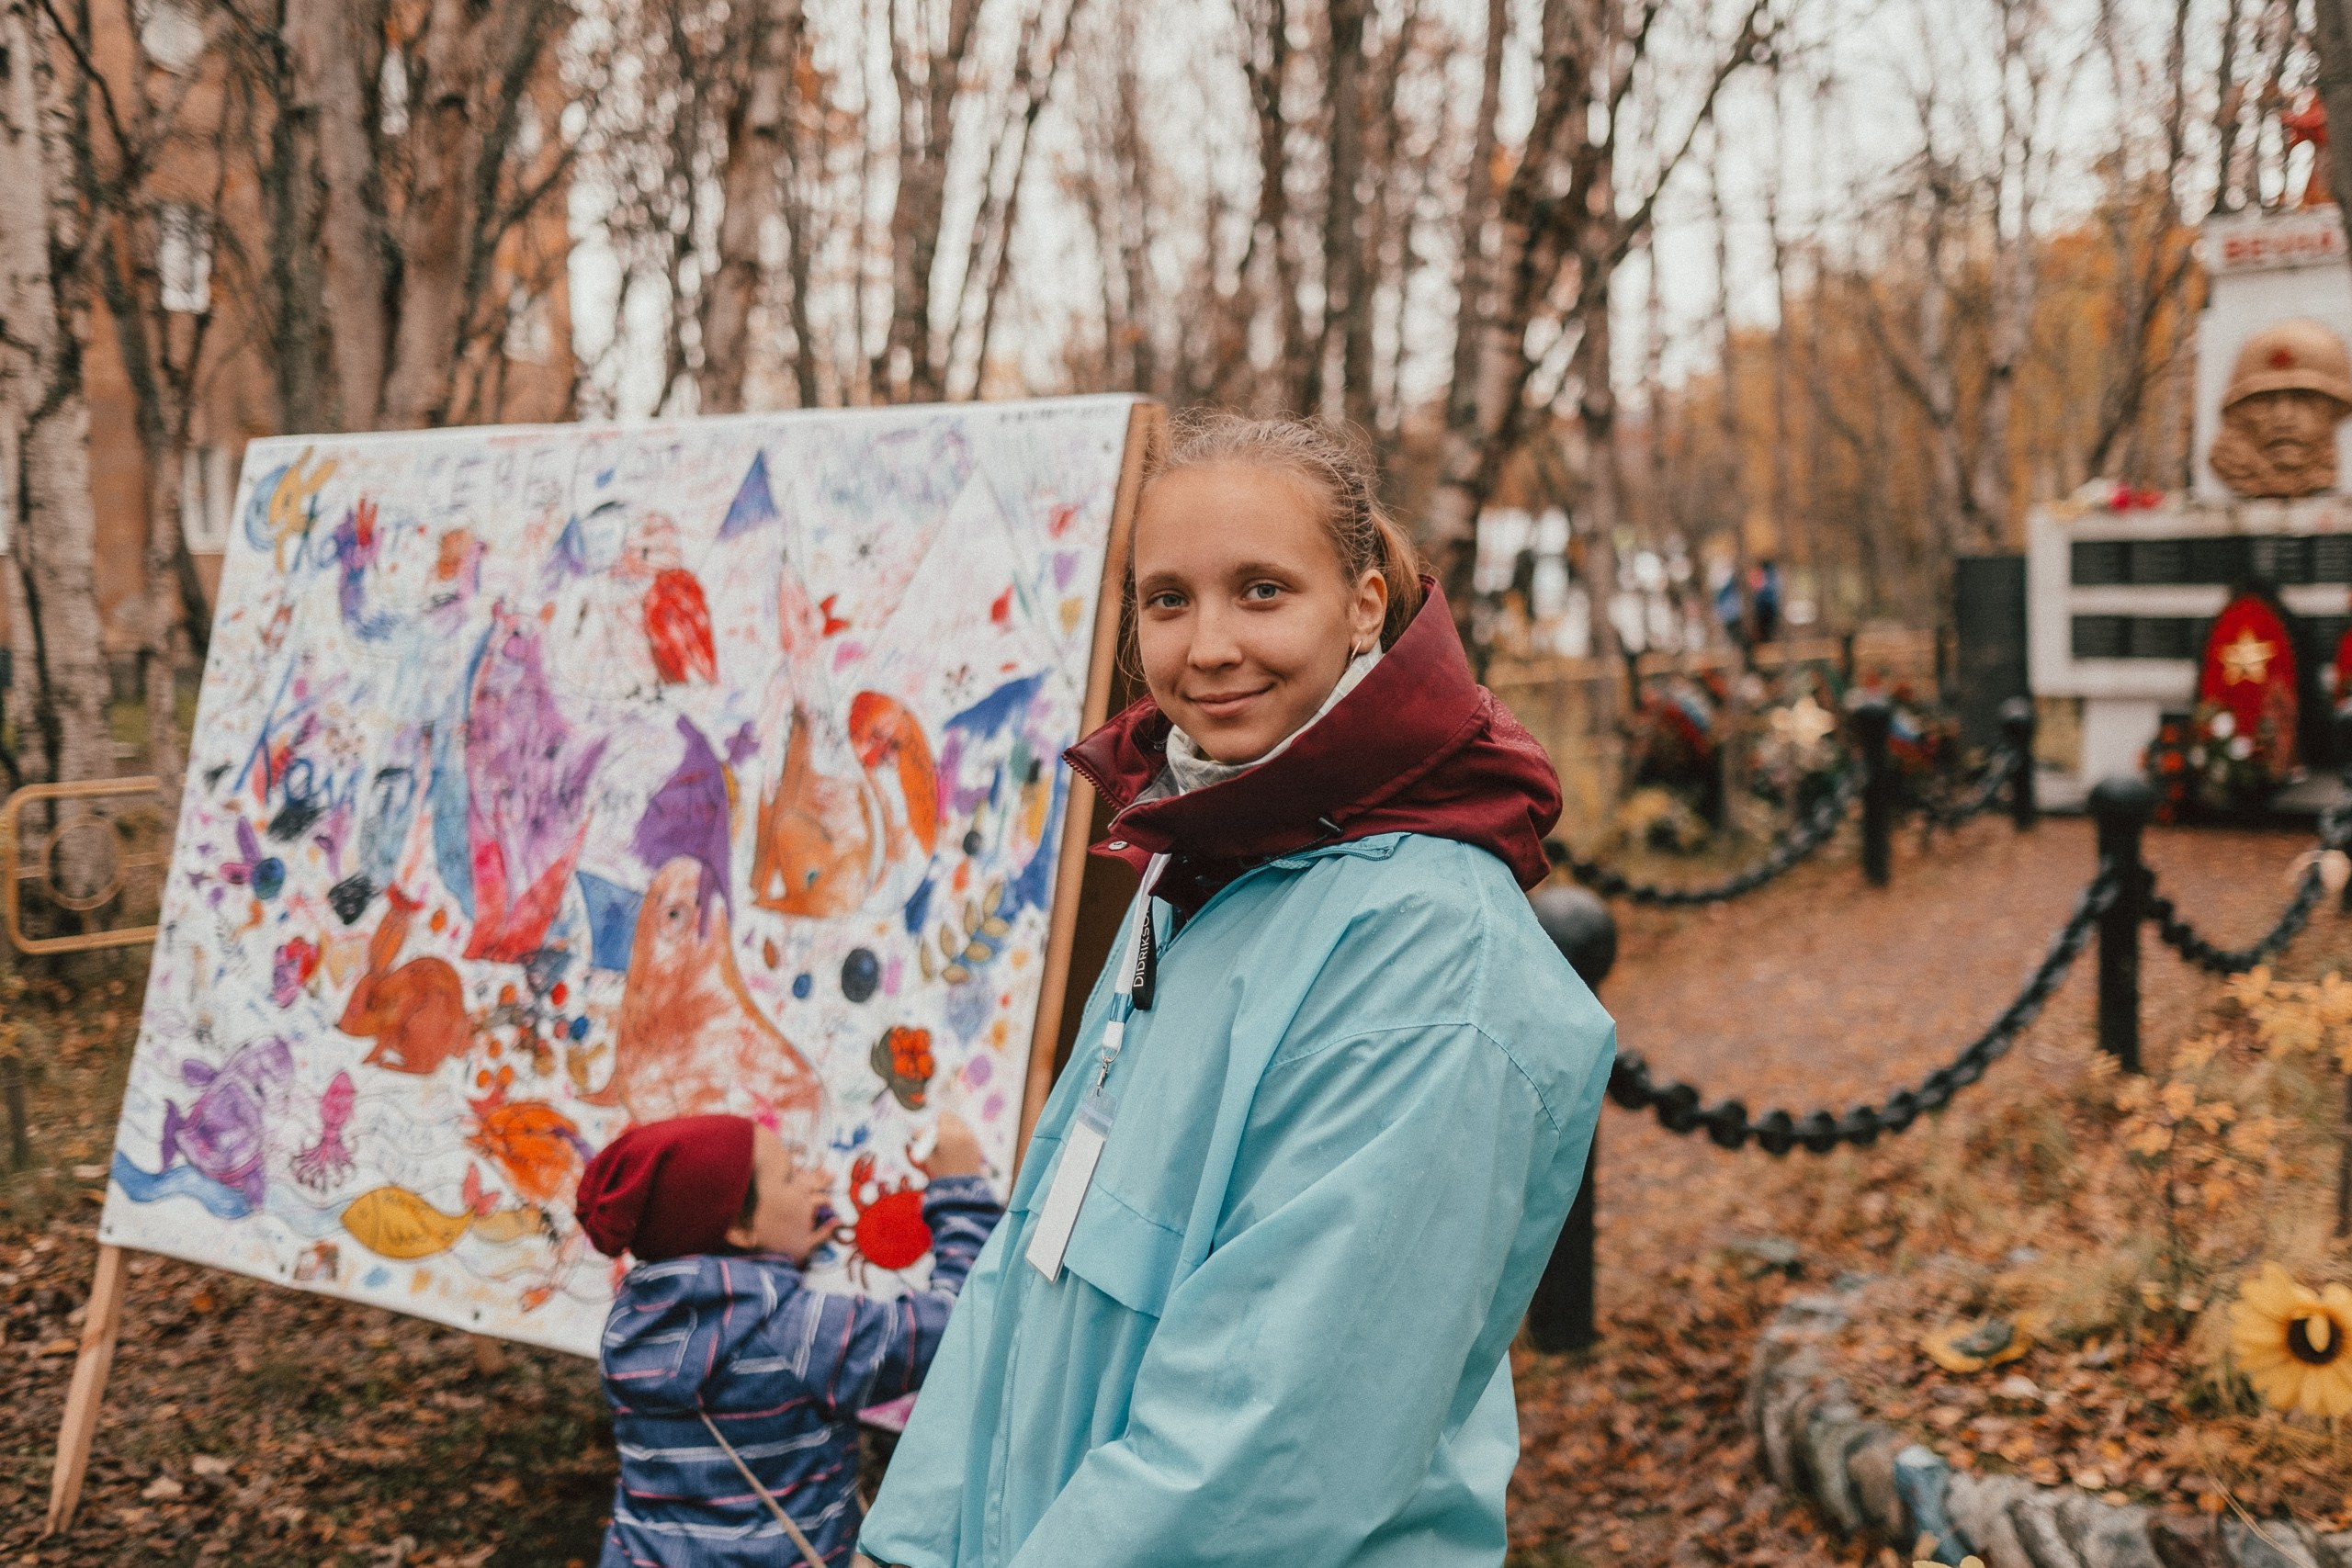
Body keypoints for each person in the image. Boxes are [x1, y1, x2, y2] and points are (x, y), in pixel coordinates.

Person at [856, 413, 1614, 1568]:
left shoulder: (1427, 952)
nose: (1207, 647)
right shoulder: (1196, 859)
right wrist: (909, 1544)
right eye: (1168, 600)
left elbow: (1268, 1442)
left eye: (1261, 591)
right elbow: (1027, 1258)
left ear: (1362, 605)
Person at [576, 1111, 1001, 1567]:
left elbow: (726, 1336)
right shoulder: (802, 1334)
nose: (815, 1181)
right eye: (790, 1174)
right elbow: (958, 1325)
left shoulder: (626, 1323)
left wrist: (776, 1257)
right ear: (740, 1231)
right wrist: (959, 1190)